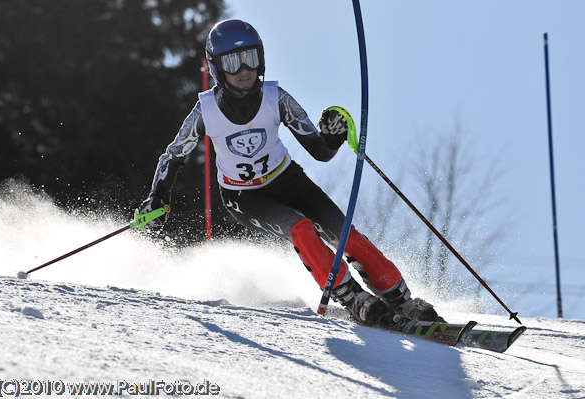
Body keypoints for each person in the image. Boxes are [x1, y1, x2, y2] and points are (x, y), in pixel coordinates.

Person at [138, 19, 443, 331]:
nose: (244, 70)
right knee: (300, 228)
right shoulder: (206, 112)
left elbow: (319, 151)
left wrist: (333, 136)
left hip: (287, 180)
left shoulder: (276, 98)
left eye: (251, 59)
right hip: (244, 197)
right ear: (217, 68)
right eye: (233, 63)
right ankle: (352, 298)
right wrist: (157, 198)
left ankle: (399, 297)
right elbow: (173, 156)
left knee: (345, 235)